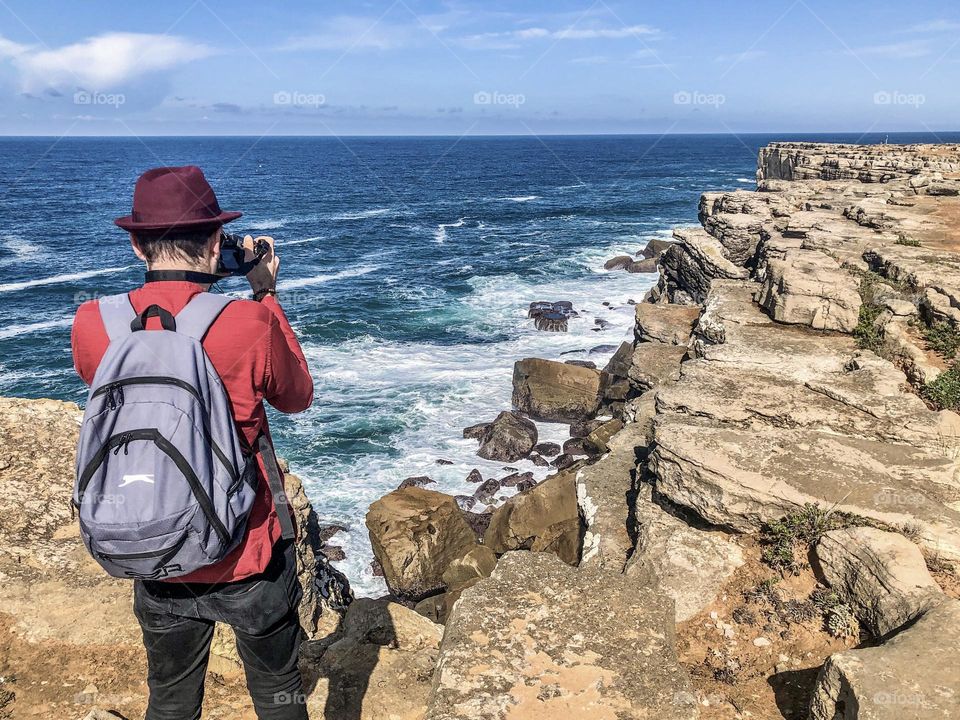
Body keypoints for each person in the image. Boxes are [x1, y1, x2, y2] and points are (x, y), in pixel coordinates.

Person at [71, 166, 314, 720]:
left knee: (172, 698)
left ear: (137, 245)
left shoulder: (93, 324)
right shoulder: (249, 321)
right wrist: (264, 290)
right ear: (214, 243)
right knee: (279, 691)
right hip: (247, 550)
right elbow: (297, 395)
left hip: (152, 543)